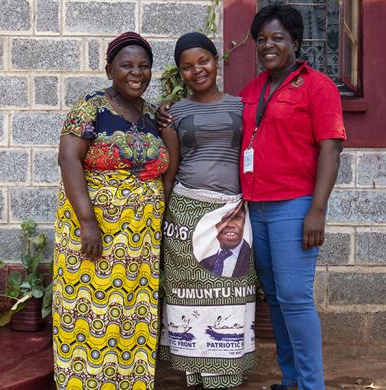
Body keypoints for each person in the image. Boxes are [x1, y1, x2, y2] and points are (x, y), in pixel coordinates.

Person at [53, 31, 171, 390]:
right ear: (109, 70)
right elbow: (68, 159)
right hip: (96, 235)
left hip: (139, 245)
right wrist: (88, 222)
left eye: (144, 66)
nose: (136, 73)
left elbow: (168, 167)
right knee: (88, 316)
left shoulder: (152, 115)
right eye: (126, 65)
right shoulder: (91, 107)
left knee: (133, 318)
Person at [239, 5, 345, 390]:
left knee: (296, 298)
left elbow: (331, 149)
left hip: (295, 206)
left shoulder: (318, 86)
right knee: (277, 300)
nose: (268, 45)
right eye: (262, 39)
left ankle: (311, 384)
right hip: (257, 208)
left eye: (277, 38)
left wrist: (317, 209)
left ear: (295, 42)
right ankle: (292, 380)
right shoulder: (252, 90)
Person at [158, 31, 257, 390]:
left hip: (231, 211)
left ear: (217, 61)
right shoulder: (173, 114)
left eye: (203, 61)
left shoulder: (241, 106)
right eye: (187, 67)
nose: (197, 70)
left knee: (230, 290)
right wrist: (162, 217)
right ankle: (194, 371)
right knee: (187, 292)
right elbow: (171, 167)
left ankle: (225, 373)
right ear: (180, 73)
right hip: (186, 211)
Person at [198, 205, 251, 278]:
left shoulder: (253, 258)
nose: (230, 224)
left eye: (236, 217)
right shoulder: (203, 263)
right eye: (223, 219)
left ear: (244, 220)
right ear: (214, 224)